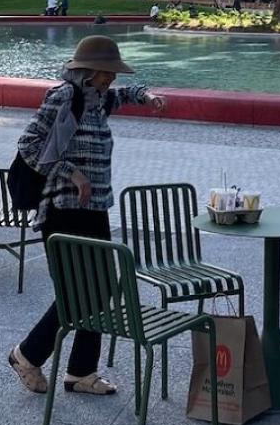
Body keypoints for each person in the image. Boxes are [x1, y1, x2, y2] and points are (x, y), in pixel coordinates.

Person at [9, 36, 165, 396]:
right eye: (107, 72)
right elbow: (29, 145)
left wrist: (147, 97)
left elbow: (125, 94)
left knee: (101, 289)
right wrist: (72, 173)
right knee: (76, 294)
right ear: (89, 71)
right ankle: (27, 355)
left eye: (113, 74)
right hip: (62, 211)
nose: (111, 79)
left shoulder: (98, 100)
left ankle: (80, 371)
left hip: (94, 209)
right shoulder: (65, 96)